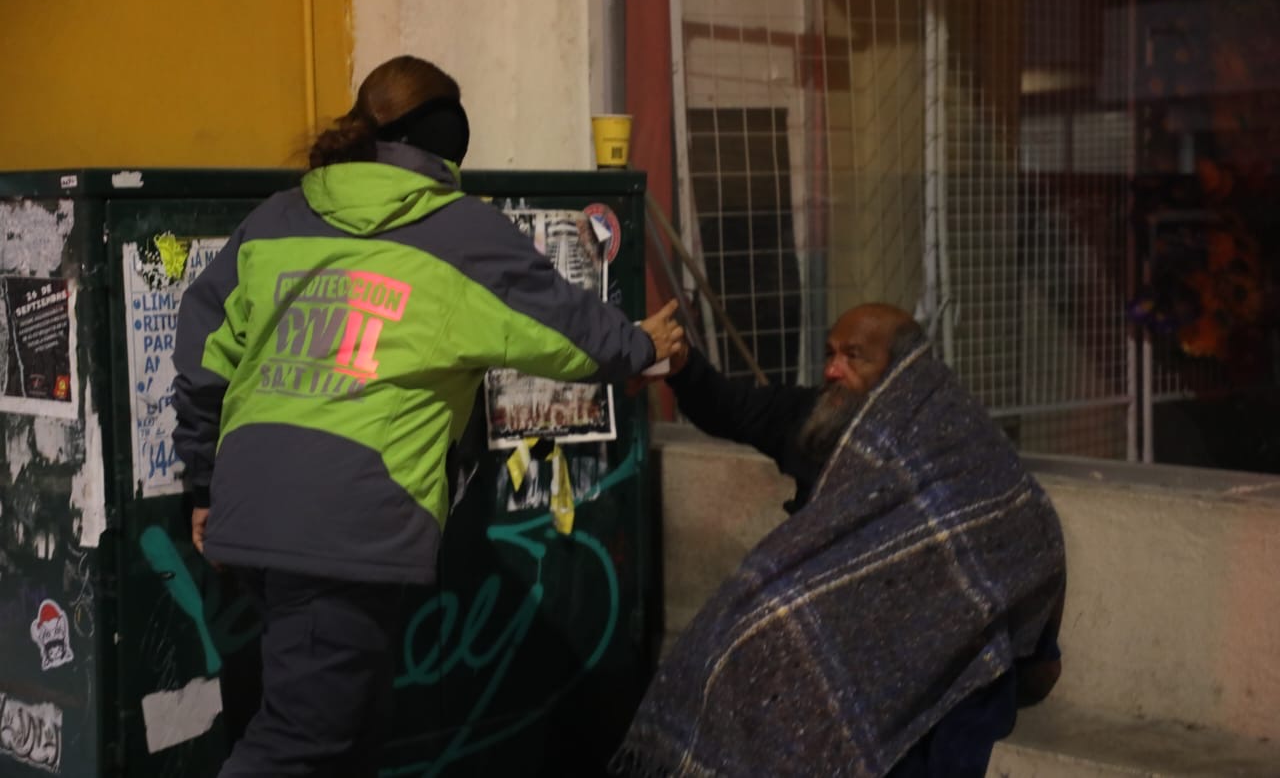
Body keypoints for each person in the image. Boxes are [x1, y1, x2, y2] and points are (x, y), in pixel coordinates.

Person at [172, 54, 685, 778]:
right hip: (343, 523)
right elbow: (567, 329)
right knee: (300, 742)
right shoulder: (460, 231)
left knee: (350, 727)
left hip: (256, 507)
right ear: (447, 137)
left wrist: (203, 482)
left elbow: (203, 354)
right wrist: (642, 345)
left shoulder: (276, 218)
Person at [614, 303, 1065, 778]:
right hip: (823, 638)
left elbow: (1016, 537)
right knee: (722, 657)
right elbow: (732, 407)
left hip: (925, 668)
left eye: (853, 356)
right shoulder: (820, 417)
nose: (832, 370)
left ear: (902, 371)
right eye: (830, 354)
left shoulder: (958, 448)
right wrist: (683, 367)